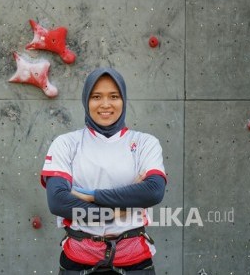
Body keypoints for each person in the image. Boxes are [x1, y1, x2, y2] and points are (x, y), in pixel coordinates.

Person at [40, 67, 167, 275]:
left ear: (123, 100)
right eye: (97, 96)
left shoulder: (145, 143)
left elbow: (153, 191)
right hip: (78, 262)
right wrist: (117, 211)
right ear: (86, 101)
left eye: (114, 96)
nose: (105, 104)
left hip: (135, 261)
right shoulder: (66, 143)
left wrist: (89, 196)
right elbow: (58, 201)